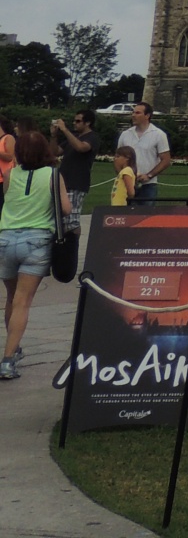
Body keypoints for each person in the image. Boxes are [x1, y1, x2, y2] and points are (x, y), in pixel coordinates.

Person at [1, 128, 71, 380]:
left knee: (11, 298)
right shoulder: (52, 175)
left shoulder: (9, 174)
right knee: (23, 301)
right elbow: (65, 209)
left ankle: (14, 346)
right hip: (36, 239)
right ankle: (7, 359)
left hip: (6, 238)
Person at [50, 110, 99, 221]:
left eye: (78, 121)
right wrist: (53, 136)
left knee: (72, 219)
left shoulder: (92, 137)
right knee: (58, 216)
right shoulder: (74, 136)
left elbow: (81, 147)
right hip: (63, 181)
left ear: (87, 123)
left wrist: (65, 130)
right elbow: (55, 152)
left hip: (77, 183)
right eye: (74, 121)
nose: (74, 123)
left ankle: (73, 238)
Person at [123, 102, 171, 203]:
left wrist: (148, 175)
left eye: (137, 113)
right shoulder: (125, 134)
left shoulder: (159, 135)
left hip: (148, 185)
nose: (133, 115)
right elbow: (118, 159)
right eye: (133, 112)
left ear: (147, 116)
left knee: (145, 216)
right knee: (125, 216)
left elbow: (166, 160)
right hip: (126, 184)